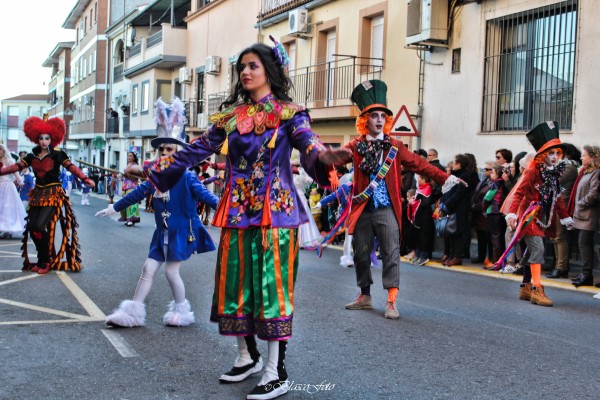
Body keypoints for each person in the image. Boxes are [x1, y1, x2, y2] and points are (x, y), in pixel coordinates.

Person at [142, 38, 344, 400]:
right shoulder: (231, 119)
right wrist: (155, 170)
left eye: (253, 65)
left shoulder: (289, 113)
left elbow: (308, 142)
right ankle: (246, 355)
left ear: (269, 70)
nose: (246, 72)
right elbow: (195, 150)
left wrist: (325, 157)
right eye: (242, 67)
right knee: (234, 286)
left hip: (275, 216)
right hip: (237, 213)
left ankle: (275, 370)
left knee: (272, 290)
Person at [318, 79, 458, 320]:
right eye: (374, 115)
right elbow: (332, 157)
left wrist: (446, 178)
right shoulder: (355, 146)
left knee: (391, 252)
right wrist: (311, 149)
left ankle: (392, 301)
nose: (379, 119)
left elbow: (421, 164)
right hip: (363, 207)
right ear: (365, 120)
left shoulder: (395, 146)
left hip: (387, 208)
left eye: (383, 115)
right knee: (361, 252)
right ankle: (365, 295)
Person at [97, 97, 219, 327]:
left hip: (181, 233)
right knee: (148, 268)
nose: (164, 152)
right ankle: (132, 314)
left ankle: (182, 311)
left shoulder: (187, 176)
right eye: (161, 149)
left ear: (178, 151)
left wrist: (230, 210)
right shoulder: (155, 176)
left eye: (169, 149)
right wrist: (114, 207)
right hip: (161, 233)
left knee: (171, 273)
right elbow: (137, 193)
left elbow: (207, 197)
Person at [0, 115, 94, 273]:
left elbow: (71, 167)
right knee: (31, 227)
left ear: (52, 139)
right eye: (41, 138)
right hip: (37, 195)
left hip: (53, 194)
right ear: (36, 139)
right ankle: (42, 258)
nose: (44, 141)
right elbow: (14, 168)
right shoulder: (31, 156)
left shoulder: (58, 155)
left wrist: (84, 178)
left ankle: (46, 260)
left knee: (38, 225)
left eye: (47, 138)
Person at [504, 121, 574, 307]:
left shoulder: (554, 172)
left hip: (542, 216)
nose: (554, 156)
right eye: (550, 153)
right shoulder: (533, 170)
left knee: (533, 250)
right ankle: (537, 289)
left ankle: (525, 286)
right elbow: (518, 193)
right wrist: (511, 215)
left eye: (557, 153)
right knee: (538, 249)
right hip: (528, 216)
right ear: (542, 154)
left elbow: (556, 197)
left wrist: (565, 216)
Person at [568, 145, 600, 288]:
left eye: (584, 155)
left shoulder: (596, 172)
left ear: (593, 157)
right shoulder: (586, 172)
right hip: (581, 214)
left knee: (584, 244)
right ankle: (585, 273)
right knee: (582, 245)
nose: (581, 157)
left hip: (589, 215)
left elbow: (594, 193)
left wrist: (580, 204)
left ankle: (587, 275)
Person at [546, 143, 580, 279]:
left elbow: (554, 181)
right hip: (555, 204)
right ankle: (557, 265)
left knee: (560, 237)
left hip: (563, 206)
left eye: (558, 153)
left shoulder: (570, 167)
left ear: (567, 154)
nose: (555, 156)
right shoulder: (561, 166)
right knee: (554, 237)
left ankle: (561, 267)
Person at [439, 154, 472, 267]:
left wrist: (447, 203)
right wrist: (443, 201)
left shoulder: (465, 176)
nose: (453, 165)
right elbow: (447, 190)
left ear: (460, 164)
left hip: (459, 209)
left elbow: (459, 193)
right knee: (451, 232)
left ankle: (457, 257)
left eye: (455, 163)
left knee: (457, 233)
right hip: (451, 207)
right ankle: (451, 255)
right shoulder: (454, 175)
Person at [0, 144, 26, 239]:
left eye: (0, 149)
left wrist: (20, 181)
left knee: (7, 207)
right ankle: (2, 228)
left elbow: (15, 172)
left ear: (4, 151)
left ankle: (8, 229)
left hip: (7, 186)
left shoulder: (9, 161)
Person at [120, 151, 142, 226]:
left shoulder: (135, 166)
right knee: (126, 202)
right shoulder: (129, 165)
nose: (129, 157)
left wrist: (127, 175)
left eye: (131, 156)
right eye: (128, 156)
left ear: (134, 157)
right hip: (127, 186)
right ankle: (128, 219)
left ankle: (131, 219)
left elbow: (134, 178)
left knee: (131, 203)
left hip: (132, 186)